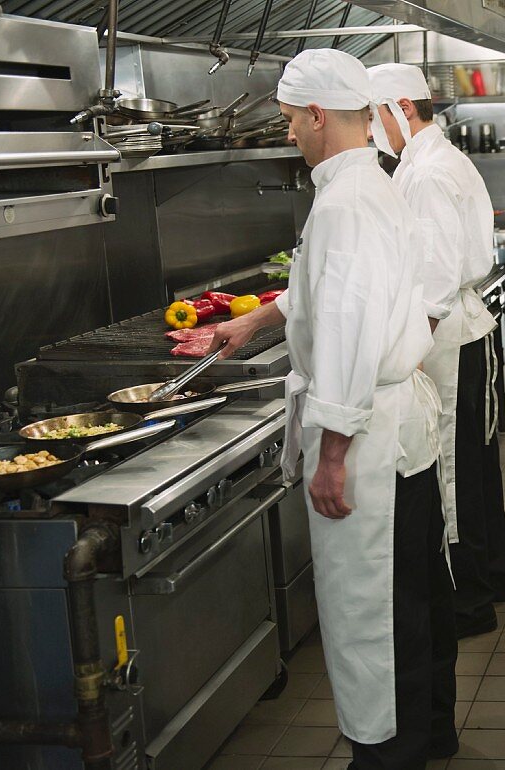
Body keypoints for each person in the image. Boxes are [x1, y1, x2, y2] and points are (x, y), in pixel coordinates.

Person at [207, 50, 458, 768]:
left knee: (369, 608)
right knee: (412, 590)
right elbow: (334, 292)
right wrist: (253, 323)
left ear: (318, 115)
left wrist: (335, 451)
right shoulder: (367, 185)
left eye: (289, 120)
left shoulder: (345, 200)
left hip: (368, 438)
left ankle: (388, 755)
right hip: (398, 426)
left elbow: (347, 325)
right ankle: (432, 737)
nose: (288, 133)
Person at [368, 63, 505, 639]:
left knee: (454, 474)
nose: (374, 128)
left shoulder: (427, 173)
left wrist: (407, 352)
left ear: (402, 107)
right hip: (464, 331)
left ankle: (470, 602)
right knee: (477, 467)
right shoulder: (434, 160)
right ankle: (493, 576)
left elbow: (432, 281)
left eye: (376, 114)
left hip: (446, 338)